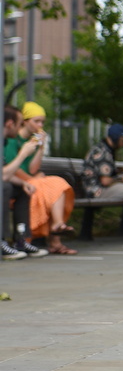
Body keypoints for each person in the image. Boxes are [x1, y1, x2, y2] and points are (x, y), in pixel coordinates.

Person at [4, 102, 77, 255]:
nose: (40, 125)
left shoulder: (31, 141)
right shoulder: (10, 140)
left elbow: (32, 169)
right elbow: (10, 170)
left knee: (53, 184)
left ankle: (53, 229)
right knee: (46, 188)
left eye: (42, 122)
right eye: (36, 121)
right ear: (24, 121)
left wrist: (41, 147)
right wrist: (31, 177)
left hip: (26, 180)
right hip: (19, 180)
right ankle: (53, 236)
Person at [2, 105, 43, 260]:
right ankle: (2, 240)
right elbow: (3, 176)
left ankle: (21, 239)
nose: (20, 129)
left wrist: (22, 183)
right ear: (10, 124)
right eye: (20, 124)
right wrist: (23, 154)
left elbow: (4, 172)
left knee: (22, 189)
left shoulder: (4, 142)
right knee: (4, 188)